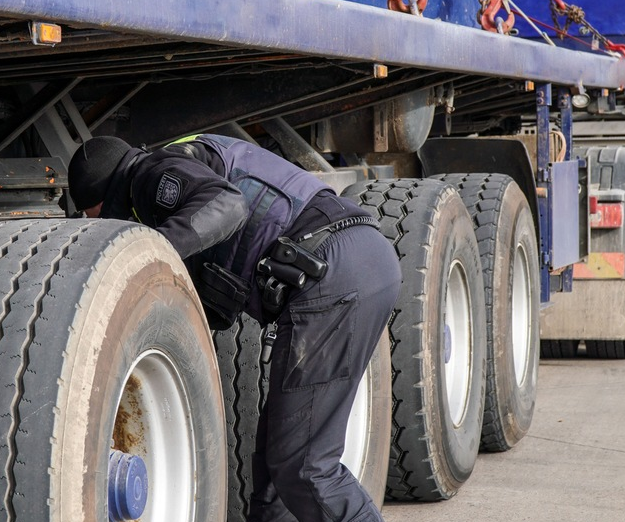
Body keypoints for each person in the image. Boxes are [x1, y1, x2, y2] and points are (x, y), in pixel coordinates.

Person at [68, 133, 401, 522]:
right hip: (353, 261)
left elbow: (227, 206)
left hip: (333, 272)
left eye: (89, 213)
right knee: (277, 469)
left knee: (305, 469)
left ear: (99, 197)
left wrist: (145, 253)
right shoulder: (183, 164)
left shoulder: (150, 174)